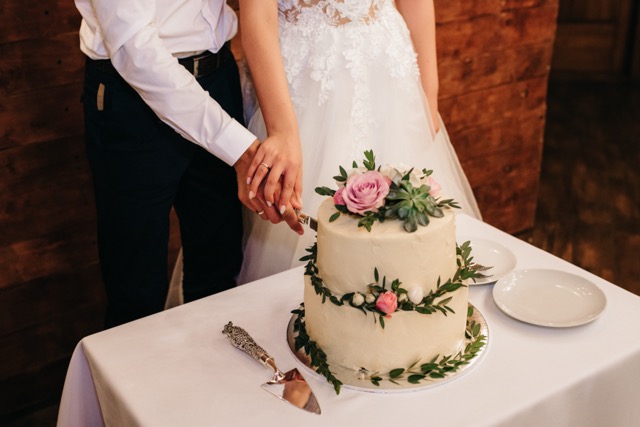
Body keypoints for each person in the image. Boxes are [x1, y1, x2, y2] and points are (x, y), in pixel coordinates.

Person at [74, 0, 303, 328]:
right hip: (132, 97)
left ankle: (214, 376)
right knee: (136, 292)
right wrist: (238, 149)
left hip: (218, 77)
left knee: (219, 275)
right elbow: (134, 49)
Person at [236, 0, 482, 284]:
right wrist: (283, 131)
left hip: (388, 68)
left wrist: (429, 93)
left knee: (412, 230)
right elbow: (258, 18)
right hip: (309, 78)